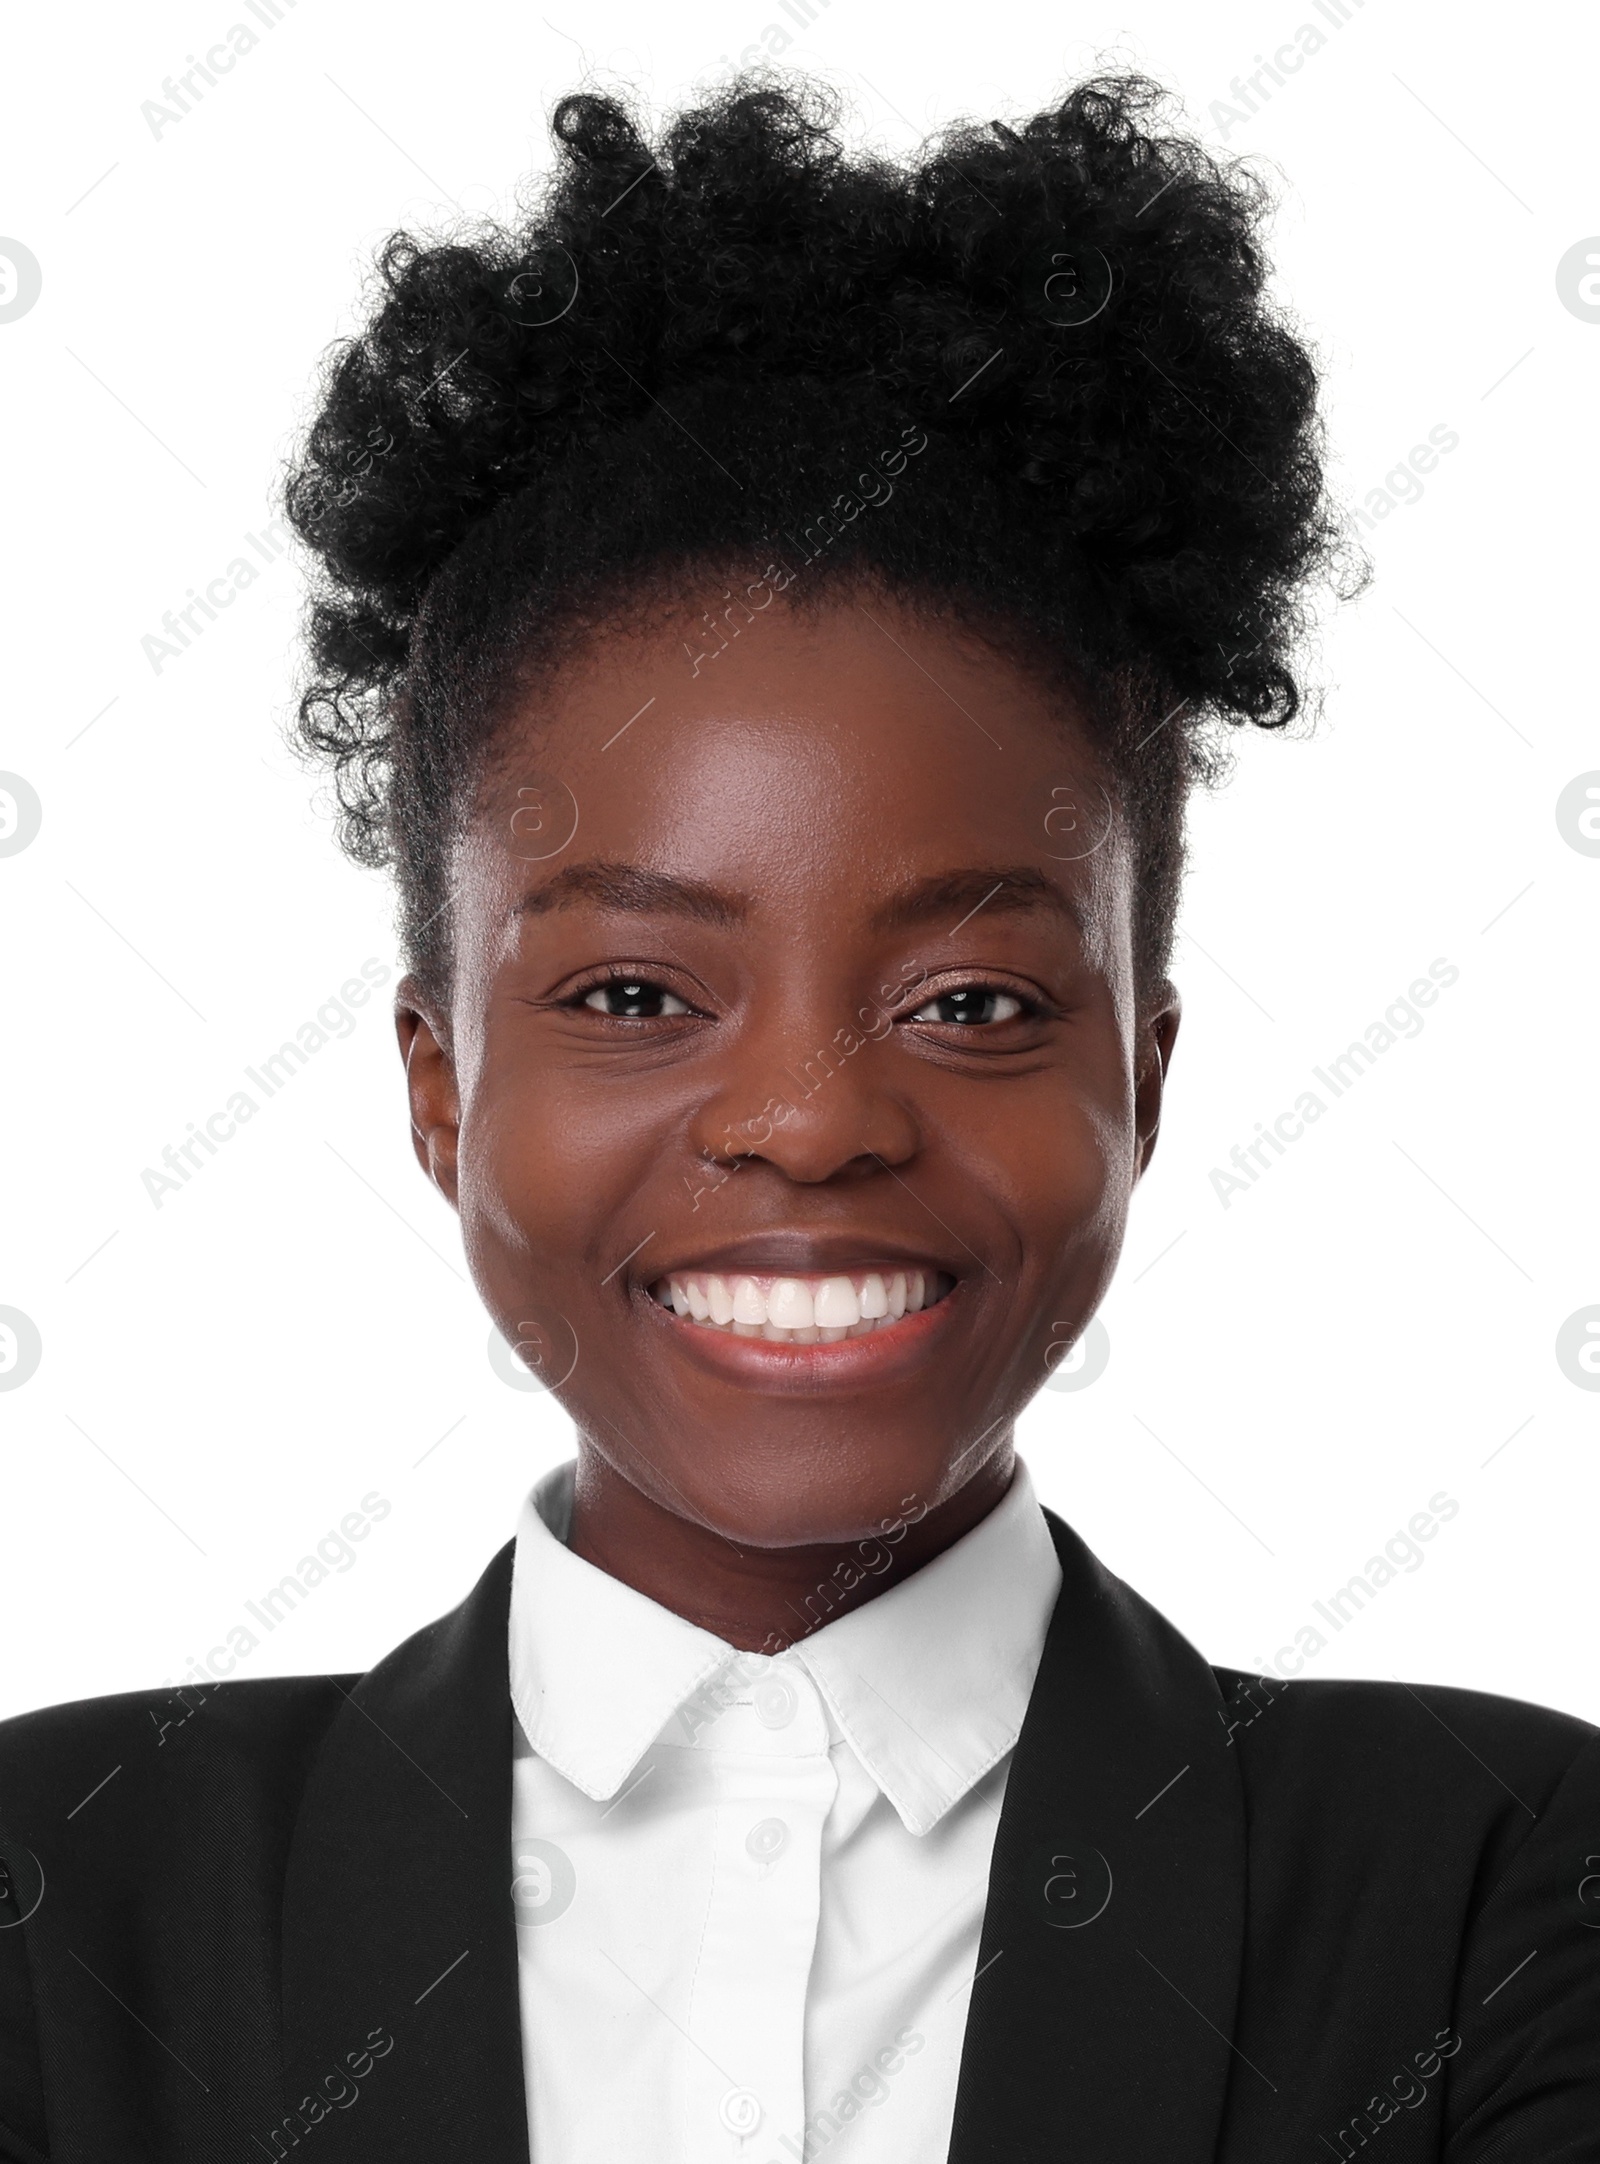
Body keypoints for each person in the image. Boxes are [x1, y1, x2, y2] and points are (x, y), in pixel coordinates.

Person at [1, 67, 1594, 2164]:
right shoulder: (64, 1900)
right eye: (636, 991)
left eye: (971, 997)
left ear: (1139, 1073)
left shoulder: (1496, 1889)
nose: (807, 1120)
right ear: (438, 1083)